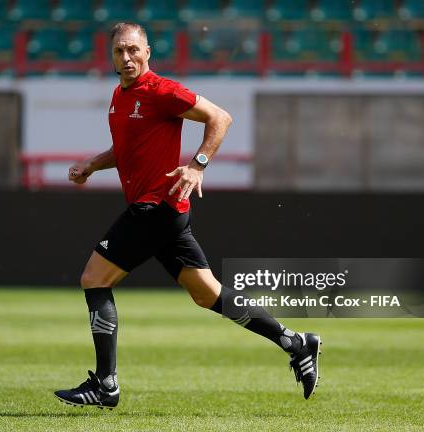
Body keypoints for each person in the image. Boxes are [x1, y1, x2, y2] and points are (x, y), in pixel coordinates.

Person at [54, 22, 321, 409]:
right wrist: (93, 165)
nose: (127, 57)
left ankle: (106, 385)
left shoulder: (162, 90)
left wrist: (198, 164)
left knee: (94, 279)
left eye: (133, 50)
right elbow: (127, 147)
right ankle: (295, 342)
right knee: (207, 294)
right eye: (119, 52)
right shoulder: (120, 95)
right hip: (167, 212)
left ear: (148, 52)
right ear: (111, 57)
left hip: (156, 206)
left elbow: (221, 118)